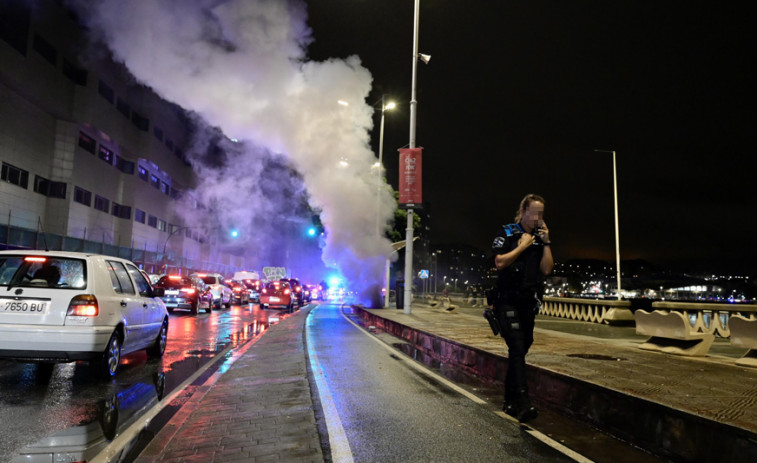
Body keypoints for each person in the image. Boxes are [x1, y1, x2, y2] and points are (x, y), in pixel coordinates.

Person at [490, 193, 554, 423]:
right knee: (516, 346)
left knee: (521, 349)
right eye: (534, 212)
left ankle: (509, 400)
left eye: (541, 213)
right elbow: (499, 262)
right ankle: (524, 403)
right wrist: (521, 246)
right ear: (524, 211)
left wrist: (546, 243)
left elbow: (546, 269)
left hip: (528, 302)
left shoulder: (540, 238)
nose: (538, 217)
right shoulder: (506, 232)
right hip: (507, 299)